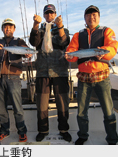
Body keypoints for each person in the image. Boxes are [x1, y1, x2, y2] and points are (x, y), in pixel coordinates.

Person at [65, 5, 118, 145]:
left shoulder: (107, 31)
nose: (91, 17)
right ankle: (83, 135)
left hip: (102, 77)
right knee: (81, 111)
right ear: (85, 18)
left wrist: (104, 51)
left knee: (108, 111)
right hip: (84, 77)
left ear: (99, 17)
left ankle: (112, 139)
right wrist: (69, 56)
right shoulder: (78, 35)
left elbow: (112, 47)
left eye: (94, 14)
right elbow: (72, 51)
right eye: (88, 15)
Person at [29, 4, 71, 142]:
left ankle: (64, 129)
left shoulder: (63, 30)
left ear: (55, 14)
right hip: (42, 72)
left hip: (60, 73)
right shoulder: (39, 30)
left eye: (52, 13)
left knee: (62, 104)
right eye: (47, 13)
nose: (49, 15)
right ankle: (43, 130)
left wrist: (59, 27)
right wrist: (35, 25)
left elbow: (64, 42)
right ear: (44, 15)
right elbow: (33, 42)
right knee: (41, 104)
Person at [0, 18, 32, 142]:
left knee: (17, 107)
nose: (8, 29)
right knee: (1, 107)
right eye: (5, 27)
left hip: (13, 78)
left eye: (10, 27)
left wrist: (28, 54)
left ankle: (22, 131)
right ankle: (4, 130)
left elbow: (25, 50)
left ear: (14, 29)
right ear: (2, 29)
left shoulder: (19, 41)